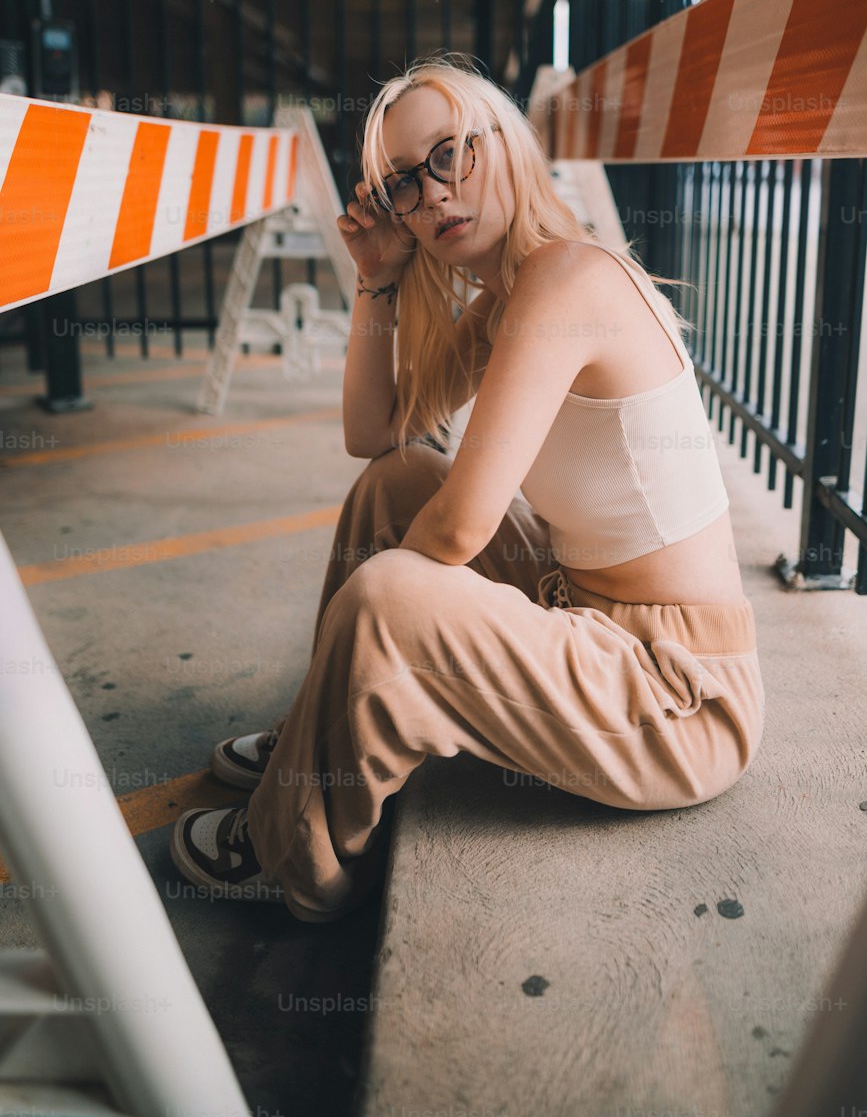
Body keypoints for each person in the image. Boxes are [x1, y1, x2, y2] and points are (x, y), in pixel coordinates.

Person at [170, 52, 766, 922]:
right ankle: (320, 729)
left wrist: (390, 616)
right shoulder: (510, 293)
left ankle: (288, 846)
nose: (434, 195)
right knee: (399, 483)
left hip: (674, 695)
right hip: (588, 619)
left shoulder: (566, 279)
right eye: (404, 184)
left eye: (451, 154)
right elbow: (373, 434)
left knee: (392, 595)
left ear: (507, 143)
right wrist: (378, 276)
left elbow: (457, 535)